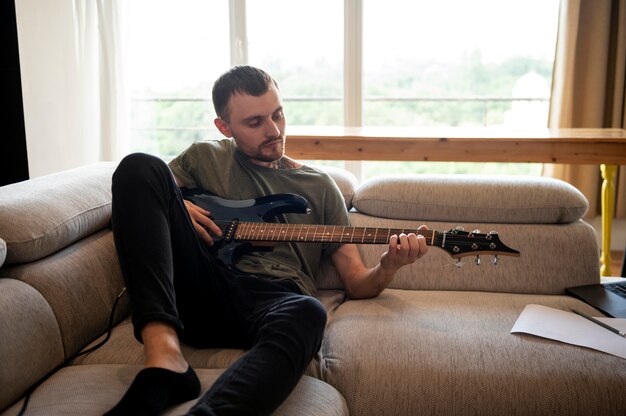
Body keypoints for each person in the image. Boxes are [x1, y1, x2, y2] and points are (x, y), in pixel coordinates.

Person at [106, 65, 429, 416]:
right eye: (255, 122)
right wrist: (181, 206)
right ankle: (165, 361)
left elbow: (356, 281)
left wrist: (388, 265)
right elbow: (145, 195)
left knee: (309, 311)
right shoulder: (204, 158)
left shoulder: (320, 187)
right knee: (137, 165)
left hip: (272, 301)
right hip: (204, 284)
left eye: (277, 115)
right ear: (224, 127)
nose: (274, 130)